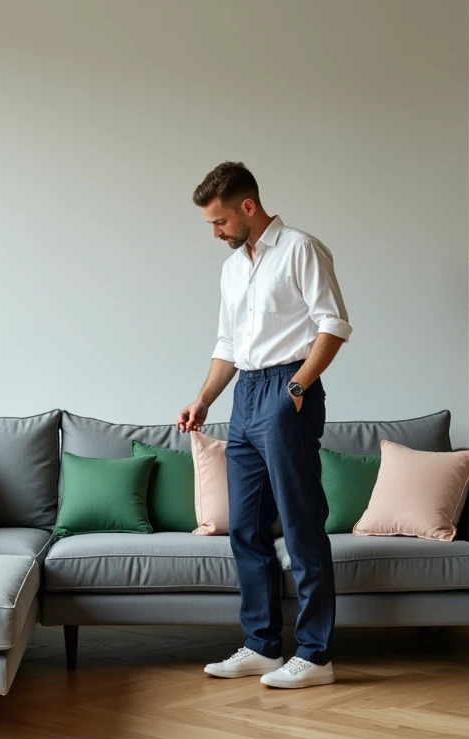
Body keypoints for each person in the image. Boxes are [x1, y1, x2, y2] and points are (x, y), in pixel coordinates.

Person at [177, 161, 351, 689]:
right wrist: (205, 399)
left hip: (286, 389)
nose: (215, 233)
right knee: (246, 526)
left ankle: (317, 655)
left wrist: (296, 389)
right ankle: (262, 645)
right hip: (245, 395)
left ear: (247, 207)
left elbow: (334, 323)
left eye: (219, 221)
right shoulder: (232, 268)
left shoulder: (301, 248)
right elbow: (227, 346)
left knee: (299, 523)